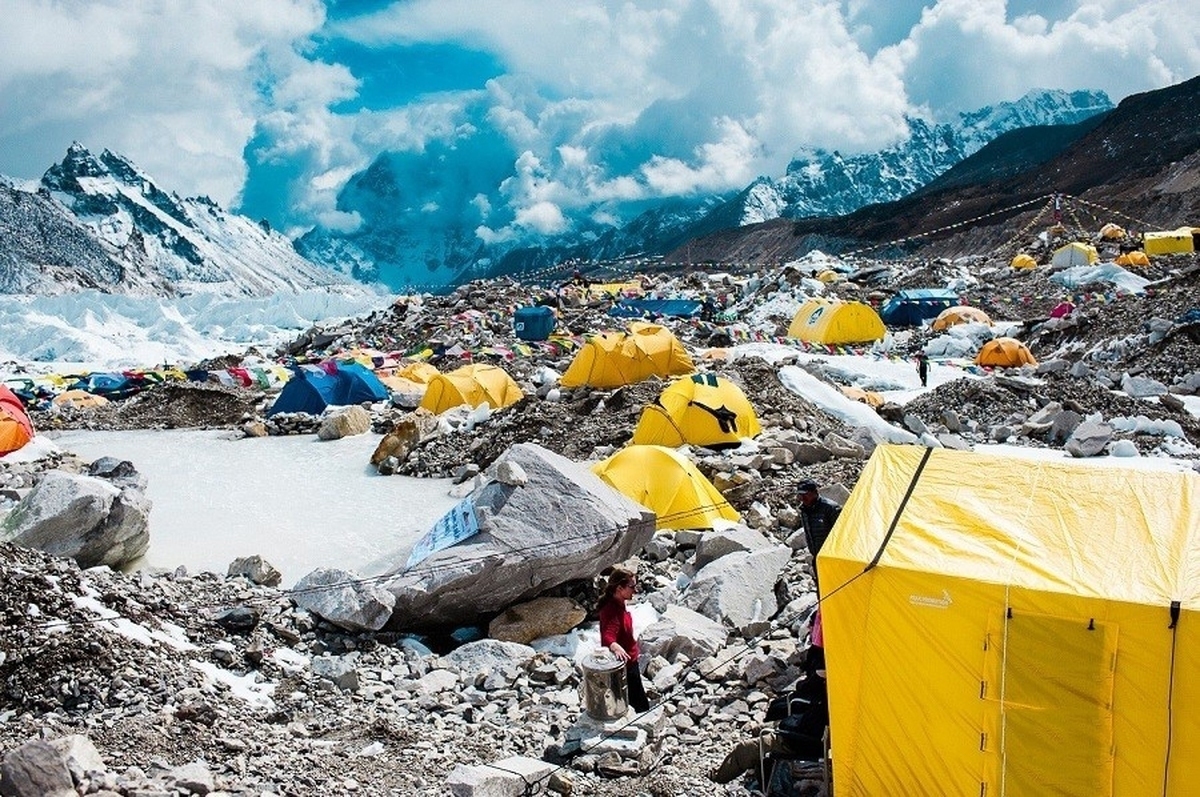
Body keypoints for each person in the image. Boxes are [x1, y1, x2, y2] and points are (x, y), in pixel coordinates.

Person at [598, 568, 649, 712]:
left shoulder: (617, 603)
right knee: (639, 706)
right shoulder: (611, 610)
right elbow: (608, 636)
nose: (635, 590)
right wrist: (615, 647)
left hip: (630, 661)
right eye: (632, 587)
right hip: (625, 665)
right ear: (619, 588)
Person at [798, 479, 842, 586]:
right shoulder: (804, 510)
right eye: (800, 495)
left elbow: (842, 535)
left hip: (834, 560)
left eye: (805, 495)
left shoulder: (831, 509)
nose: (802, 498)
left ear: (814, 492)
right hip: (817, 558)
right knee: (821, 588)